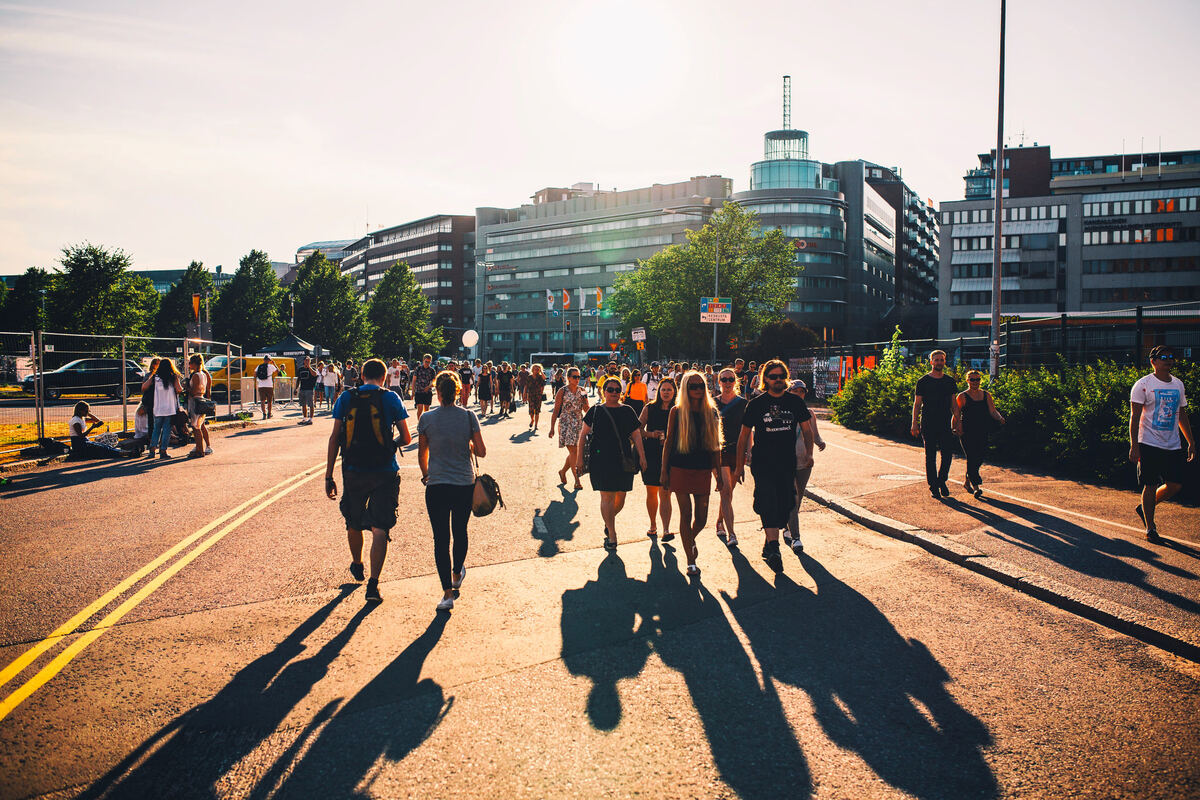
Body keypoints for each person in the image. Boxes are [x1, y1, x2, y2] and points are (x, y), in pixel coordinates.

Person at [325, 358, 412, 604]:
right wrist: (389, 445)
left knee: (353, 520)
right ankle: (374, 584)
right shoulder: (391, 398)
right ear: (384, 377)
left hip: (353, 469)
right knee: (380, 527)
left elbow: (334, 438)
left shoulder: (345, 398)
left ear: (361, 376)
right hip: (384, 470)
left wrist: (329, 475)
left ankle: (357, 562)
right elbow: (406, 437)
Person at [733, 360, 813, 572]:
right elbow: (743, 436)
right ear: (765, 380)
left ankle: (769, 545)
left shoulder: (795, 402)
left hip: (787, 463)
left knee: (785, 504)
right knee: (767, 500)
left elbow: (807, 429)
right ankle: (775, 547)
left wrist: (809, 454)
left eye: (781, 376)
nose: (778, 380)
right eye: (773, 376)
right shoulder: (757, 404)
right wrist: (739, 464)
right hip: (763, 463)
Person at [418, 370, 486, 612]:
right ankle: (457, 573)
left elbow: (422, 454)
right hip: (463, 484)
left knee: (440, 539)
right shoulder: (469, 417)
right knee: (460, 531)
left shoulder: (426, 418)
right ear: (458, 391)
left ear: (437, 392)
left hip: (436, 484)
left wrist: (427, 476)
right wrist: (466, 442)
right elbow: (481, 451)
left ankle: (447, 594)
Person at [661, 371, 725, 576]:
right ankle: (690, 559)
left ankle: (689, 539)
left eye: (701, 386)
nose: (697, 390)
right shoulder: (677, 412)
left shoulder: (712, 412)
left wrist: (719, 475)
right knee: (686, 514)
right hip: (679, 468)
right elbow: (669, 442)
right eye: (693, 386)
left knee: (702, 517)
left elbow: (716, 446)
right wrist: (664, 471)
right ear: (686, 389)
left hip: (703, 469)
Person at [1129, 345, 1195, 542]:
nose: (1168, 360)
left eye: (1171, 357)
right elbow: (1135, 416)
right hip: (1148, 443)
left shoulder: (1178, 385)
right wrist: (1134, 445)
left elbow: (1181, 413)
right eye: (1163, 357)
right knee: (1150, 484)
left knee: (1175, 485)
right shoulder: (1142, 385)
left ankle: (1145, 507)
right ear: (1153, 361)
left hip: (1172, 443)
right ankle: (1151, 528)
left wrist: (1190, 441)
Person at [576, 376, 647, 551]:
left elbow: (637, 435)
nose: (614, 393)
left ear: (620, 392)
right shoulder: (596, 410)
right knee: (606, 496)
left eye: (617, 390)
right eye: (610, 390)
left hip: (623, 458)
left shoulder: (628, 410)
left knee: (621, 497)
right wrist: (579, 459)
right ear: (604, 391)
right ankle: (613, 535)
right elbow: (583, 435)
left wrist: (643, 457)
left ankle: (609, 521)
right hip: (600, 459)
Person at [911, 350, 959, 498]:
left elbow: (954, 403)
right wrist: (914, 423)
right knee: (930, 455)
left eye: (941, 360)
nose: (939, 362)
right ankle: (934, 486)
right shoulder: (923, 381)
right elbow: (917, 404)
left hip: (945, 422)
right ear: (931, 362)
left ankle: (942, 480)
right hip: (928, 422)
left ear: (945, 361)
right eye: (936, 360)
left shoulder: (949, 381)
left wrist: (959, 421)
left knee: (947, 454)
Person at [783, 379, 822, 553]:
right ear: (789, 392)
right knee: (792, 496)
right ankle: (796, 537)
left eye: (802, 391)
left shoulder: (809, 413)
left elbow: (814, 434)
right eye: (795, 391)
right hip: (786, 461)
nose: (799, 394)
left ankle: (787, 525)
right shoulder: (782, 413)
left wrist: (820, 443)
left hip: (805, 461)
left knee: (799, 496)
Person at [953, 370, 1005, 499]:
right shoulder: (962, 396)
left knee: (980, 456)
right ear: (967, 381)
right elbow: (956, 413)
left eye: (977, 379)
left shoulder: (986, 395)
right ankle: (976, 487)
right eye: (972, 379)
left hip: (982, 430)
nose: (975, 382)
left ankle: (967, 479)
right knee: (971, 456)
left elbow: (992, 410)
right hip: (966, 431)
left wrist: (1000, 418)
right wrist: (954, 427)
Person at [639, 376, 676, 540]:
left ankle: (666, 529)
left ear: (674, 391)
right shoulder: (650, 408)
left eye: (669, 389)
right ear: (658, 391)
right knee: (652, 492)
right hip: (651, 453)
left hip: (671, 454)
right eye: (663, 389)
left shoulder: (678, 409)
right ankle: (653, 525)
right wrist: (651, 434)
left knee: (666, 492)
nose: (666, 392)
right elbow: (637, 430)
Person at [714, 368, 748, 546]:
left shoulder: (742, 403)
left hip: (737, 451)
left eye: (730, 379)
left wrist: (749, 451)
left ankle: (720, 520)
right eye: (723, 379)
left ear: (735, 382)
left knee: (729, 492)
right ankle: (732, 534)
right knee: (725, 490)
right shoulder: (712, 403)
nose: (727, 383)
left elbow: (747, 429)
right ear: (718, 382)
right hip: (718, 451)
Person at [549, 366, 590, 491]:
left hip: (578, 423)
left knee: (576, 452)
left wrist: (585, 402)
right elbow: (556, 410)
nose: (577, 379)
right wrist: (552, 428)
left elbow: (586, 409)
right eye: (574, 377)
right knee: (574, 452)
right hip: (566, 424)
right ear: (568, 378)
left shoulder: (582, 391)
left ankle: (562, 471)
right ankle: (577, 480)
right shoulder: (562, 391)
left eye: (579, 377)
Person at [141, 358, 184, 460]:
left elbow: (143, 387)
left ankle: (152, 450)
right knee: (166, 430)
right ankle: (163, 451)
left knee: (156, 429)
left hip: (158, 407)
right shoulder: (173, 377)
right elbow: (179, 389)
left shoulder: (155, 377)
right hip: (169, 408)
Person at [186, 354, 213, 457]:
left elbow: (193, 391)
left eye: (190, 363)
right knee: (200, 425)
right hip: (201, 399)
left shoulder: (196, 375)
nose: (189, 365)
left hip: (195, 401)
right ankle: (201, 447)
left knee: (196, 427)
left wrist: (186, 387)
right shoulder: (204, 374)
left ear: (194, 363)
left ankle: (199, 450)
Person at [411, 354, 437, 421]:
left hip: (427, 392)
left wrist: (428, 387)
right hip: (419, 391)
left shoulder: (432, 370)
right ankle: (419, 423)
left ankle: (426, 424)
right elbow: (414, 380)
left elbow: (434, 382)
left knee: (426, 410)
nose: (427, 363)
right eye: (426, 361)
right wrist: (413, 391)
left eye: (429, 362)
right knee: (419, 408)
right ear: (423, 361)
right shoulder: (418, 369)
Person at [296, 355, 318, 426]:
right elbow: (298, 379)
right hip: (302, 389)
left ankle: (311, 419)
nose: (307, 361)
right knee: (303, 404)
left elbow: (315, 374)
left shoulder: (313, 368)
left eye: (308, 360)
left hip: (309, 389)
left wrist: (309, 367)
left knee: (311, 405)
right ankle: (304, 418)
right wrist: (296, 388)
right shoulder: (300, 369)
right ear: (304, 361)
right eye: (306, 360)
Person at [525, 363, 547, 431]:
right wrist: (524, 395)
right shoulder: (529, 377)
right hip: (531, 395)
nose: (537, 370)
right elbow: (526, 386)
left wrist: (541, 372)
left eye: (538, 369)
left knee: (537, 411)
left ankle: (536, 425)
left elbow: (544, 378)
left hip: (538, 395)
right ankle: (532, 419)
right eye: (535, 369)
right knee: (531, 411)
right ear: (532, 369)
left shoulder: (540, 377)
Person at [255, 355, 278, 420]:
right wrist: (274, 364)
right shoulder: (271, 366)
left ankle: (264, 414)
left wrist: (257, 380)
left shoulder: (259, 366)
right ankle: (269, 414)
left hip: (261, 386)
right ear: (269, 360)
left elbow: (255, 374)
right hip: (269, 386)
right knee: (269, 401)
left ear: (264, 360)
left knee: (262, 401)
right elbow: (277, 371)